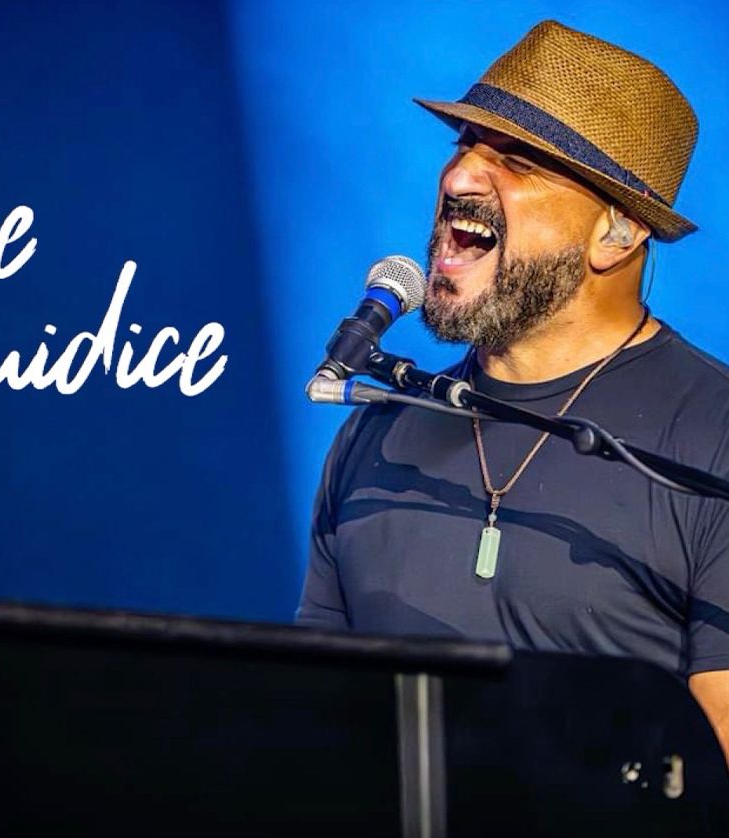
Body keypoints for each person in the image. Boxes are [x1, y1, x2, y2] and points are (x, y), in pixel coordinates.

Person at [296, 20, 728, 761]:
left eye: (516, 160)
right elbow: (311, 726)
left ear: (618, 232)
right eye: (464, 143)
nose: (459, 177)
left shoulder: (713, 438)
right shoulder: (375, 434)